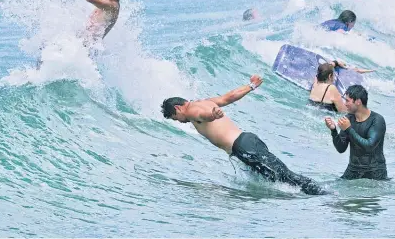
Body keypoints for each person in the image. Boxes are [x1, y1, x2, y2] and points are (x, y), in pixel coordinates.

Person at [161, 75, 327, 195]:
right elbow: (229, 97)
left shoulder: (191, 111)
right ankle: (318, 193)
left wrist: (212, 116)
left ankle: (323, 195)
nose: (179, 121)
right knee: (279, 176)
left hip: (243, 147)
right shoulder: (204, 101)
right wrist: (251, 86)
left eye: (176, 118)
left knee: (285, 177)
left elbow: (202, 116)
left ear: (177, 109)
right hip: (248, 140)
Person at [325, 85, 388, 180]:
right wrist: (333, 130)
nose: (345, 104)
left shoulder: (377, 120)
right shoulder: (349, 118)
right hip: (353, 170)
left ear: (358, 101)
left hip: (374, 173)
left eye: (347, 101)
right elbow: (341, 148)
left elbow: (369, 146)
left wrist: (349, 129)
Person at [309, 61, 373, 113]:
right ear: (330, 76)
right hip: (325, 116)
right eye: (334, 75)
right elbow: (342, 110)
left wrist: (336, 63)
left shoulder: (315, 81)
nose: (334, 77)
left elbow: (323, 69)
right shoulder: (331, 88)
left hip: (312, 109)